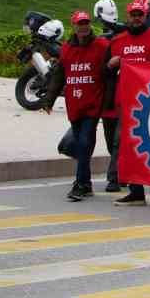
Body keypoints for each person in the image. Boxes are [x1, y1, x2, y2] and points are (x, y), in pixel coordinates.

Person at [41, 11, 110, 202]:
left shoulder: (101, 46)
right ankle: (85, 183)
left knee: (85, 142)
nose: (84, 26)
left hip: (93, 104)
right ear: (74, 26)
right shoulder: (67, 49)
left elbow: (108, 73)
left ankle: (80, 184)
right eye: (80, 23)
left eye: (86, 23)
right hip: (75, 104)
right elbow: (59, 76)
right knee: (81, 144)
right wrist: (49, 99)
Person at [108, 0, 150, 203]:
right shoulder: (117, 40)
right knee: (126, 145)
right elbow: (106, 71)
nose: (136, 18)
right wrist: (110, 65)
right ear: (127, 16)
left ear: (146, 16)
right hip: (126, 104)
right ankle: (136, 191)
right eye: (133, 14)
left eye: (140, 14)